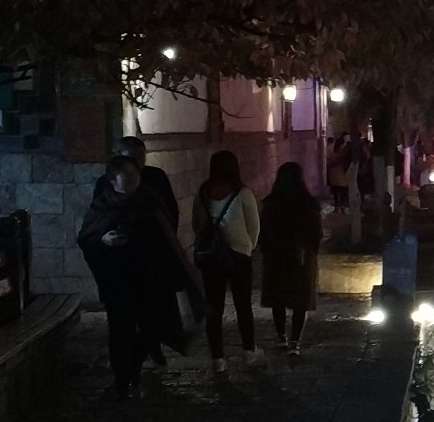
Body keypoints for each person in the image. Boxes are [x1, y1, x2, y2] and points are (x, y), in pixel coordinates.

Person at [77, 155, 203, 397]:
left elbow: (166, 237)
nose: (134, 178)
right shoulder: (102, 205)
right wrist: (103, 240)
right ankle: (122, 379)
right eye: (127, 174)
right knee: (120, 330)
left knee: (151, 327)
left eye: (136, 173)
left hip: (149, 278)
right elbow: (86, 237)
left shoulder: (149, 201)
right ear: (113, 180)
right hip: (117, 281)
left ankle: (133, 369)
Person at [192, 149, 263, 372]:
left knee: (214, 308)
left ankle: (218, 359)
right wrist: (248, 247)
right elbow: (254, 226)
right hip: (238, 255)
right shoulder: (242, 193)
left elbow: (197, 224)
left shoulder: (203, 192)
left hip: (212, 257)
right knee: (243, 305)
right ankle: (249, 351)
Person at [259, 161, 322, 355]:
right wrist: (311, 252)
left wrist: (266, 251)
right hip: (301, 256)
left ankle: (281, 337)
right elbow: (316, 233)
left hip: (276, 255)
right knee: (300, 299)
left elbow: (263, 232)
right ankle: (295, 341)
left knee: (278, 296)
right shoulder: (308, 203)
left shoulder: (271, 204)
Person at [326, 133, 352, 212]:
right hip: (342, 173)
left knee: (336, 191)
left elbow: (328, 160)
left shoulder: (330, 148)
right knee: (343, 190)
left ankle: (337, 206)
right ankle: (342, 206)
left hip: (333, 173)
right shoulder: (343, 151)